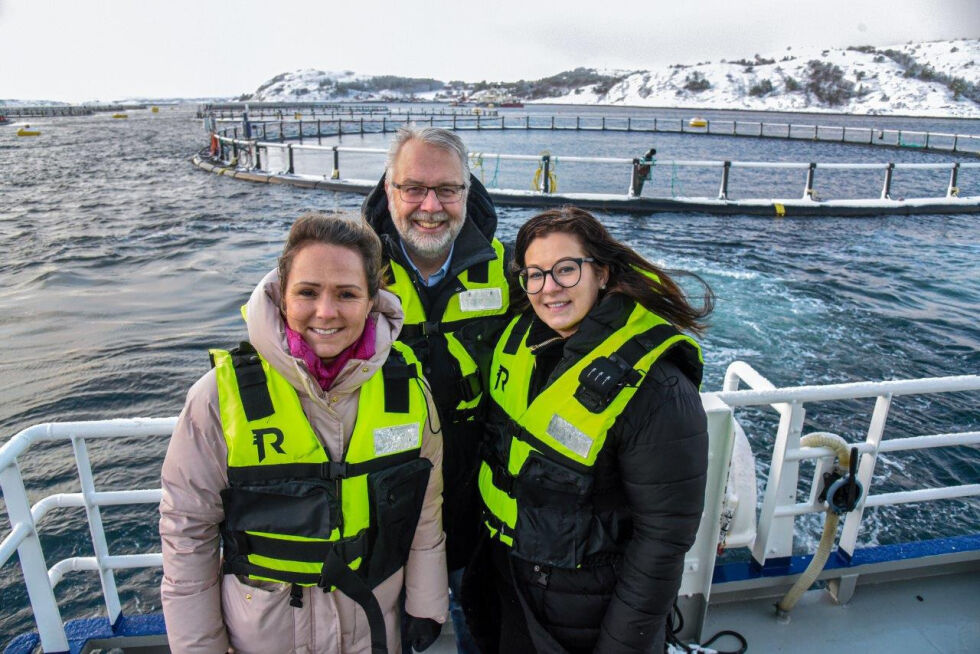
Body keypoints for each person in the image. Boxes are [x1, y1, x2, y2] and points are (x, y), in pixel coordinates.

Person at [160, 212, 448, 653]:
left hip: (372, 631)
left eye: (347, 294)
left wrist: (426, 606)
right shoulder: (218, 399)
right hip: (264, 635)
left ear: (373, 299)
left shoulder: (409, 391)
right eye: (308, 293)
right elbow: (188, 532)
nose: (326, 312)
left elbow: (425, 512)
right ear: (282, 297)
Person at [466, 206, 713, 654]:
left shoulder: (658, 387)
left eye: (566, 269)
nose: (549, 288)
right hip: (511, 587)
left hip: (588, 612)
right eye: (535, 274)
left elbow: (662, 540)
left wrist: (624, 644)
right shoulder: (523, 340)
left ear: (601, 273)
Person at [362, 126, 510, 652]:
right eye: (413, 188)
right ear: (387, 188)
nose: (431, 206)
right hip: (380, 522)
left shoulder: (513, 271)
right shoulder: (351, 271)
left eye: (447, 190)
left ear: (468, 192)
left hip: (480, 519)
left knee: (484, 637)